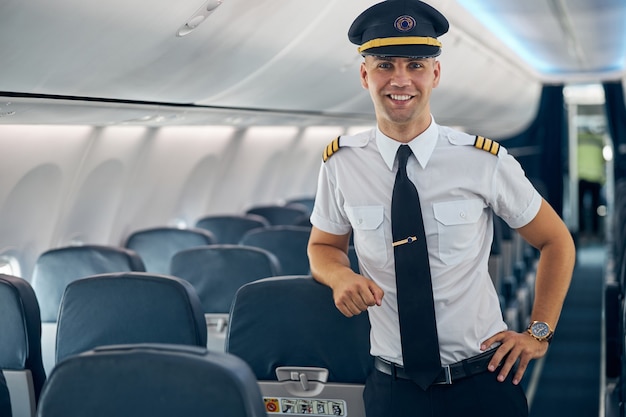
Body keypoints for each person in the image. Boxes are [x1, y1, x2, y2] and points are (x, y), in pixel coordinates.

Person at [307, 1, 576, 416]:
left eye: (415, 65)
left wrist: (538, 333)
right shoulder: (340, 163)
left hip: (485, 379)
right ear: (365, 75)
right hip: (391, 387)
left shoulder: (484, 160)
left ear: (435, 74)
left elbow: (555, 240)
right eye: (384, 65)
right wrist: (339, 275)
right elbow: (322, 246)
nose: (400, 79)